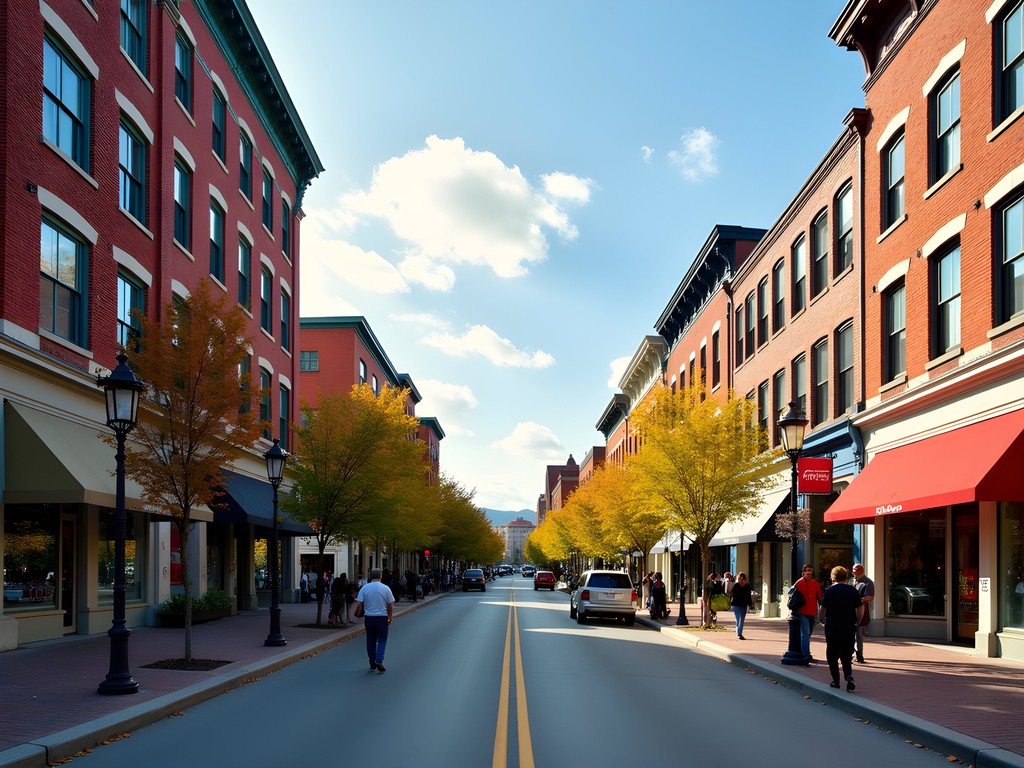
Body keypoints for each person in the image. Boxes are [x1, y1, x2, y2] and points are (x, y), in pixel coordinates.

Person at [818, 565, 863, 691]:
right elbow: (860, 607)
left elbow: (823, 609)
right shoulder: (852, 590)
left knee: (832, 654)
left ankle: (836, 680)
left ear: (833, 577)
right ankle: (848, 676)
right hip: (848, 626)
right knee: (846, 653)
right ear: (846, 576)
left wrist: (821, 619)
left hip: (833, 626)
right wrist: (858, 620)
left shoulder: (830, 591)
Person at [354, 568, 395, 673]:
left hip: (369, 618)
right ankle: (379, 660)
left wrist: (359, 613)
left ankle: (372, 660)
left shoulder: (365, 588)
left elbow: (359, 603)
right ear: (380, 576)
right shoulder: (385, 588)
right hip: (382, 617)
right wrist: (390, 617)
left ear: (371, 576)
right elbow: (390, 605)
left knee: (370, 640)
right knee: (382, 640)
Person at [793, 564, 823, 662]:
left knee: (807, 634)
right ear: (803, 572)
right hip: (802, 612)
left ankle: (803, 652)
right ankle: (806, 656)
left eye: (811, 571)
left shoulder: (816, 584)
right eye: (808, 571)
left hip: (813, 613)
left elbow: (820, 598)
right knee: (805, 634)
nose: (810, 573)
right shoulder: (799, 583)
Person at [852, 563, 875, 663]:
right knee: (851, 634)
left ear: (858, 570)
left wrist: (860, 599)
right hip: (851, 612)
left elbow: (870, 597)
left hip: (861, 611)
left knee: (858, 634)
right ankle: (851, 653)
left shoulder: (868, 582)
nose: (852, 571)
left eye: (854, 570)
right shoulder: (852, 581)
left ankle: (859, 655)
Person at [730, 572, 755, 639]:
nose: (744, 581)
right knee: (739, 619)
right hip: (736, 605)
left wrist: (750, 604)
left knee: (741, 619)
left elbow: (748, 597)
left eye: (744, 579)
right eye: (742, 579)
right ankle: (739, 633)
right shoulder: (736, 585)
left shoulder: (747, 587)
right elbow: (732, 594)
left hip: (743, 605)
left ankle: (739, 632)